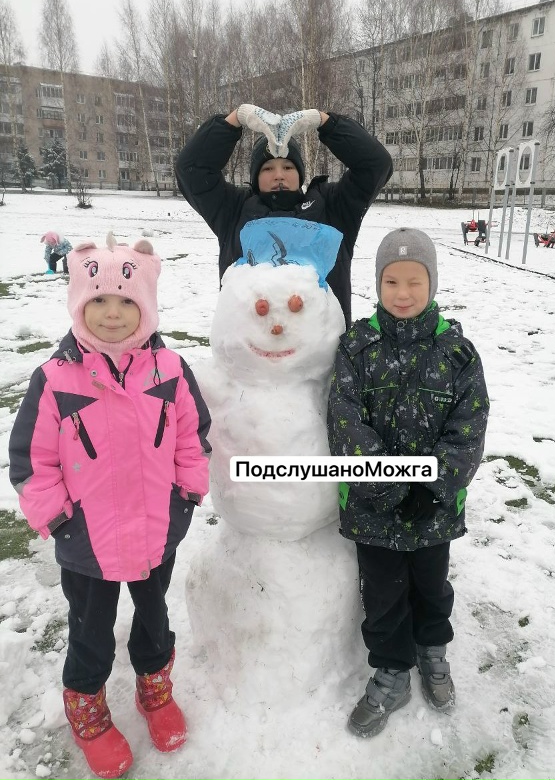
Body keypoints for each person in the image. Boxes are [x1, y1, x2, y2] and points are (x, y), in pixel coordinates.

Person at [9, 232, 211, 778]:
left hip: (155, 532)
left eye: (128, 302)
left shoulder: (168, 369)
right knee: (90, 629)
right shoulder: (55, 379)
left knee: (154, 619)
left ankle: (155, 690)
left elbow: (193, 436)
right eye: (99, 300)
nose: (114, 314)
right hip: (86, 541)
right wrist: (58, 520)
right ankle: (88, 711)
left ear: (146, 306)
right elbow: (30, 462)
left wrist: (186, 496)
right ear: (79, 302)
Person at [327, 227, 489, 738]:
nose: (402, 293)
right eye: (391, 281)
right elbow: (346, 422)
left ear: (432, 283)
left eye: (414, 281)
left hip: (434, 507)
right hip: (374, 507)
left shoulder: (457, 354)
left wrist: (429, 485)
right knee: (382, 592)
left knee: (431, 584)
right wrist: (394, 484)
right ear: (377, 285)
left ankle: (432, 649)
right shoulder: (357, 347)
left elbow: (470, 425)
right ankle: (391, 669)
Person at [175, 104, 393, 325]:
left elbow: (375, 165)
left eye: (288, 167)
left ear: (299, 173)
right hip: (250, 352)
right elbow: (192, 169)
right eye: (268, 168)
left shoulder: (334, 208)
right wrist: (234, 120)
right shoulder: (232, 210)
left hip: (324, 355)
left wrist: (325, 121)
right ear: (255, 176)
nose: (279, 175)